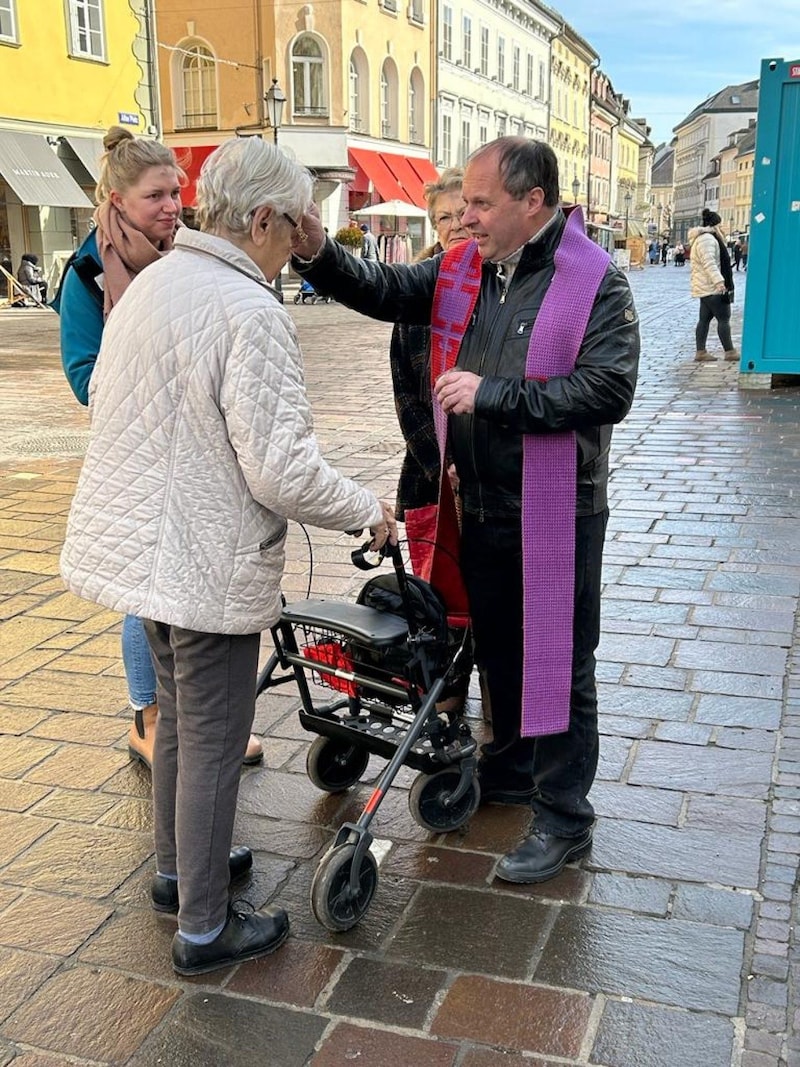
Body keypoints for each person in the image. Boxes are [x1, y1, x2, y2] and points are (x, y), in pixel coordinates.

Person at [60, 135, 397, 974]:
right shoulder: (248, 309)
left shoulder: (157, 279)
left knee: (179, 721)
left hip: (150, 548)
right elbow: (281, 469)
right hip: (202, 556)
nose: (303, 242)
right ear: (261, 218)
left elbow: (104, 392)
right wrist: (367, 510)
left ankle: (181, 873)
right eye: (297, 225)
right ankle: (206, 928)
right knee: (214, 739)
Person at [292, 137, 639, 884]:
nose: (467, 218)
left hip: (558, 510)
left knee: (562, 662)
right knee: (503, 649)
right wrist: (319, 251)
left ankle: (565, 815)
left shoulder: (595, 281)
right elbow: (382, 288)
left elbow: (610, 389)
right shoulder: (465, 269)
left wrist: (493, 394)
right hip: (477, 502)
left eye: (482, 204)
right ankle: (511, 768)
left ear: (532, 203)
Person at [56, 126, 264, 770]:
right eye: (156, 196)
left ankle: (177, 723)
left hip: (193, 449)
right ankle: (148, 717)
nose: (173, 206)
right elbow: (85, 372)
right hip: (138, 448)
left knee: (169, 584)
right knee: (147, 590)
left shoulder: (184, 259)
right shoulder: (90, 271)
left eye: (177, 192)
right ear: (117, 200)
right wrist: (161, 381)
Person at [389, 167, 474, 713]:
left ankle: (497, 706)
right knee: (438, 596)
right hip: (430, 476)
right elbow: (408, 396)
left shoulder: (500, 283)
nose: (455, 225)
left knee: (488, 598)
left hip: (492, 481)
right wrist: (442, 464)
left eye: (463, 213)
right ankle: (443, 701)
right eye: (442, 217)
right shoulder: (423, 287)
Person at [688, 208, 737, 363]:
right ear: (715, 225)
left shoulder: (704, 238)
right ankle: (730, 352)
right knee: (724, 318)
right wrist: (719, 282)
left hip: (705, 288)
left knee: (704, 319)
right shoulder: (708, 239)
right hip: (712, 287)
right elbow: (709, 263)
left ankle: (701, 352)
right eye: (720, 225)